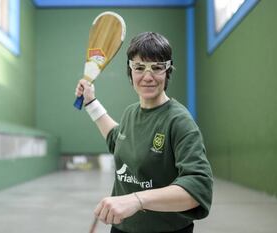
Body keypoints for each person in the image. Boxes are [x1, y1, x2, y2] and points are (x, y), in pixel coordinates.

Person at [75, 32, 213, 233]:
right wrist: (90, 103)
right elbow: (117, 140)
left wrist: (138, 200)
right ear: (130, 72)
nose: (148, 77)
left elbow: (198, 187)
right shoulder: (131, 112)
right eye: (139, 68)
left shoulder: (179, 121)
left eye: (157, 68)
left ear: (167, 71)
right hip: (122, 228)